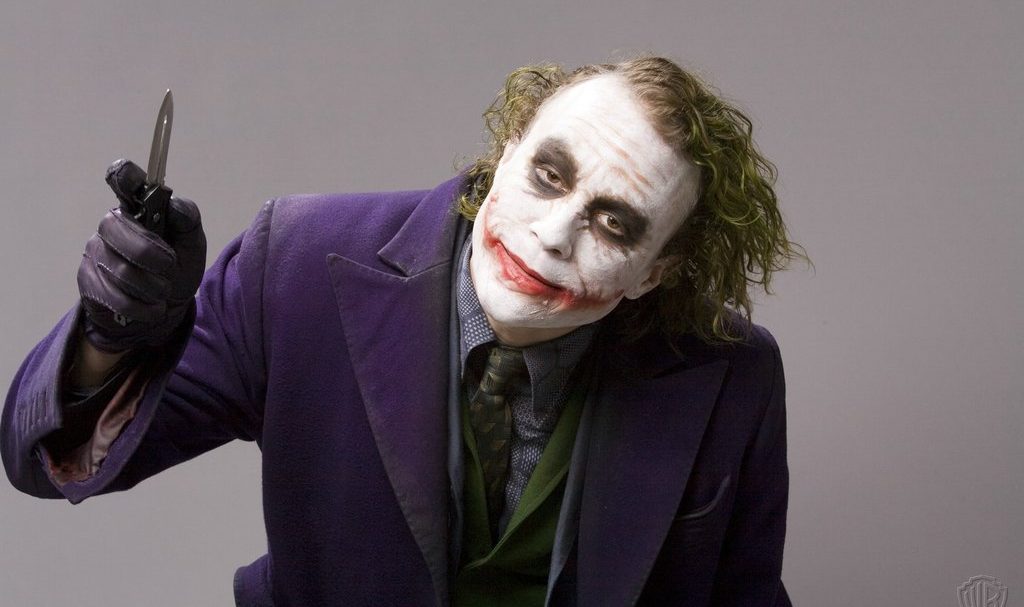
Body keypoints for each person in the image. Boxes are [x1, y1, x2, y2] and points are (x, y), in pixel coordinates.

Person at [3, 56, 802, 606]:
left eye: (615, 224)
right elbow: (47, 461)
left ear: (655, 272)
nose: (553, 235)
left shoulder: (732, 375)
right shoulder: (299, 263)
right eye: (548, 175)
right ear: (508, 150)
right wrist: (114, 334)